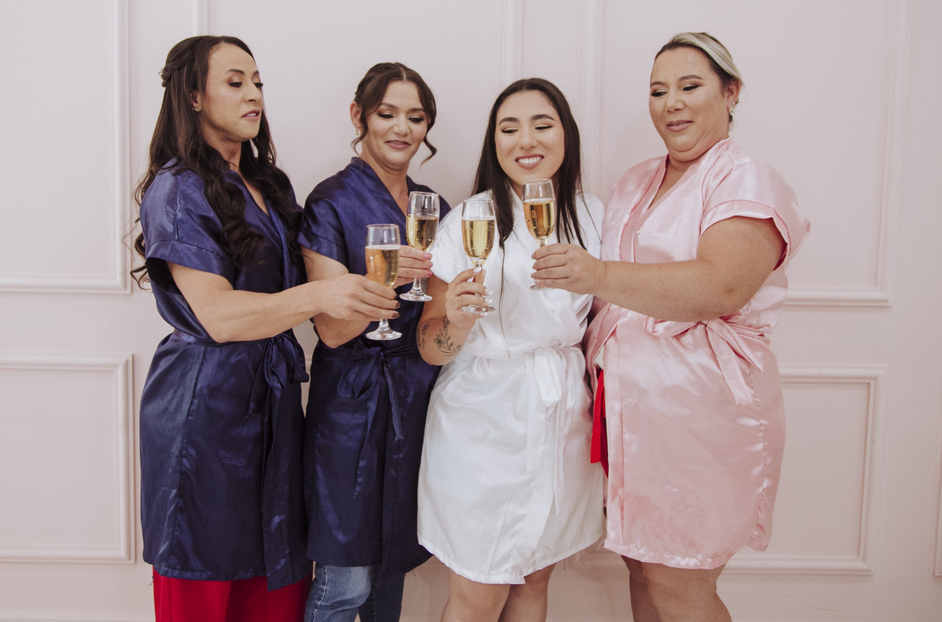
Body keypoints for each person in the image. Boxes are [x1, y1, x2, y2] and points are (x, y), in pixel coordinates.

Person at [532, 32, 810, 622]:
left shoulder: (746, 179)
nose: (671, 103)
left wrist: (596, 274)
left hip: (700, 415)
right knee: (644, 566)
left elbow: (721, 286)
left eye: (690, 86)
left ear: (731, 92)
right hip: (626, 413)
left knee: (680, 582)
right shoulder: (635, 180)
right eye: (658, 91)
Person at [133, 36, 400, 622]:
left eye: (257, 82)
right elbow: (219, 316)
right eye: (235, 82)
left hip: (273, 409)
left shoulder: (267, 184)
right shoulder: (177, 188)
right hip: (205, 414)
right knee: (205, 582)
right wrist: (320, 294)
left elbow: (313, 288)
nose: (254, 94)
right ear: (194, 96)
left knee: (275, 586)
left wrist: (382, 273)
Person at [415, 78, 606, 622]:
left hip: (563, 413)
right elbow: (430, 347)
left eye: (542, 124)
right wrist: (456, 322)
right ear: (493, 142)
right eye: (509, 127)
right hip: (482, 419)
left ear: (566, 134)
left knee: (535, 577)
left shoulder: (594, 215)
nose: (526, 140)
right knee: (478, 590)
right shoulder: (467, 220)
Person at [299, 63, 450, 622]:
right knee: (346, 576)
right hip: (352, 398)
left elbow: (438, 314)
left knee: (391, 568)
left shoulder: (434, 205)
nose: (402, 129)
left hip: (416, 393)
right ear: (359, 116)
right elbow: (332, 329)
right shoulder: (329, 201)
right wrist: (382, 276)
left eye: (416, 117)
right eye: (387, 113)